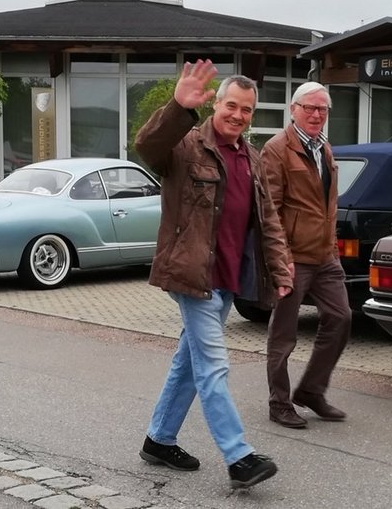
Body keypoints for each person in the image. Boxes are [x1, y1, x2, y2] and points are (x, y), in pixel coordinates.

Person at [133, 60, 293, 490]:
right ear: (216, 104)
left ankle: (159, 439)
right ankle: (239, 457)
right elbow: (147, 146)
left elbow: (269, 221)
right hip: (193, 275)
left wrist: (281, 268)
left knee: (189, 362)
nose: (238, 115)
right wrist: (177, 107)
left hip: (227, 278)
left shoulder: (252, 159)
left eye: (246, 109)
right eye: (231, 106)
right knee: (213, 365)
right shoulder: (186, 146)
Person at [260, 81, 352, 429]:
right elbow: (270, 210)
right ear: (293, 109)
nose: (316, 114)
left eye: (322, 109)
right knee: (284, 334)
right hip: (292, 257)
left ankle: (311, 391)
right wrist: (280, 258)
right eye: (309, 108)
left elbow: (327, 203)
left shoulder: (324, 147)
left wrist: (332, 247)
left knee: (341, 318)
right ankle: (279, 403)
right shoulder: (277, 149)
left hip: (325, 256)